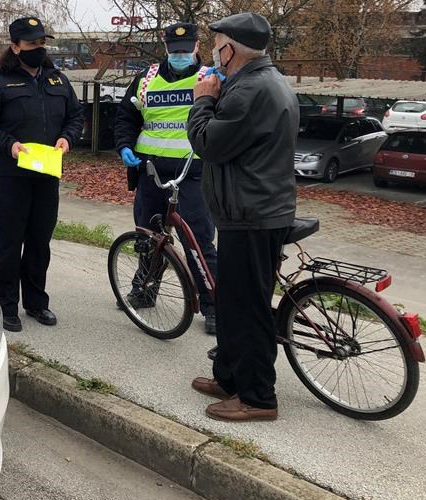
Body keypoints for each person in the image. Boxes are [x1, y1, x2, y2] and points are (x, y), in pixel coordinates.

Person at [187, 13, 299, 421]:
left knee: (249, 308)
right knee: (232, 301)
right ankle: (230, 377)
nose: (213, 49)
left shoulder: (250, 89)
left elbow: (207, 143)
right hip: (250, 209)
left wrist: (202, 99)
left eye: (216, 42)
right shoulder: (260, 82)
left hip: (252, 213)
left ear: (230, 48)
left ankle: (257, 397)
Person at [0, 17, 84, 332]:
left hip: (47, 174)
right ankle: (6, 306)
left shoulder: (58, 81)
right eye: (32, 44)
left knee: (39, 242)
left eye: (42, 43)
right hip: (11, 176)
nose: (38, 49)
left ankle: (36, 303)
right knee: (10, 242)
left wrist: (68, 138)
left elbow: (76, 116)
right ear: (15, 46)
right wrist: (10, 145)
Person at [113, 22, 218, 334]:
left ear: (198, 47)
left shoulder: (209, 79)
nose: (180, 55)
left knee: (198, 241)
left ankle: (214, 305)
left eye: (186, 50)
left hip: (193, 172)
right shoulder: (145, 79)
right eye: (175, 51)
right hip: (151, 171)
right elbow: (126, 117)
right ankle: (144, 290)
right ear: (166, 47)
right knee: (148, 237)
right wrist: (124, 146)